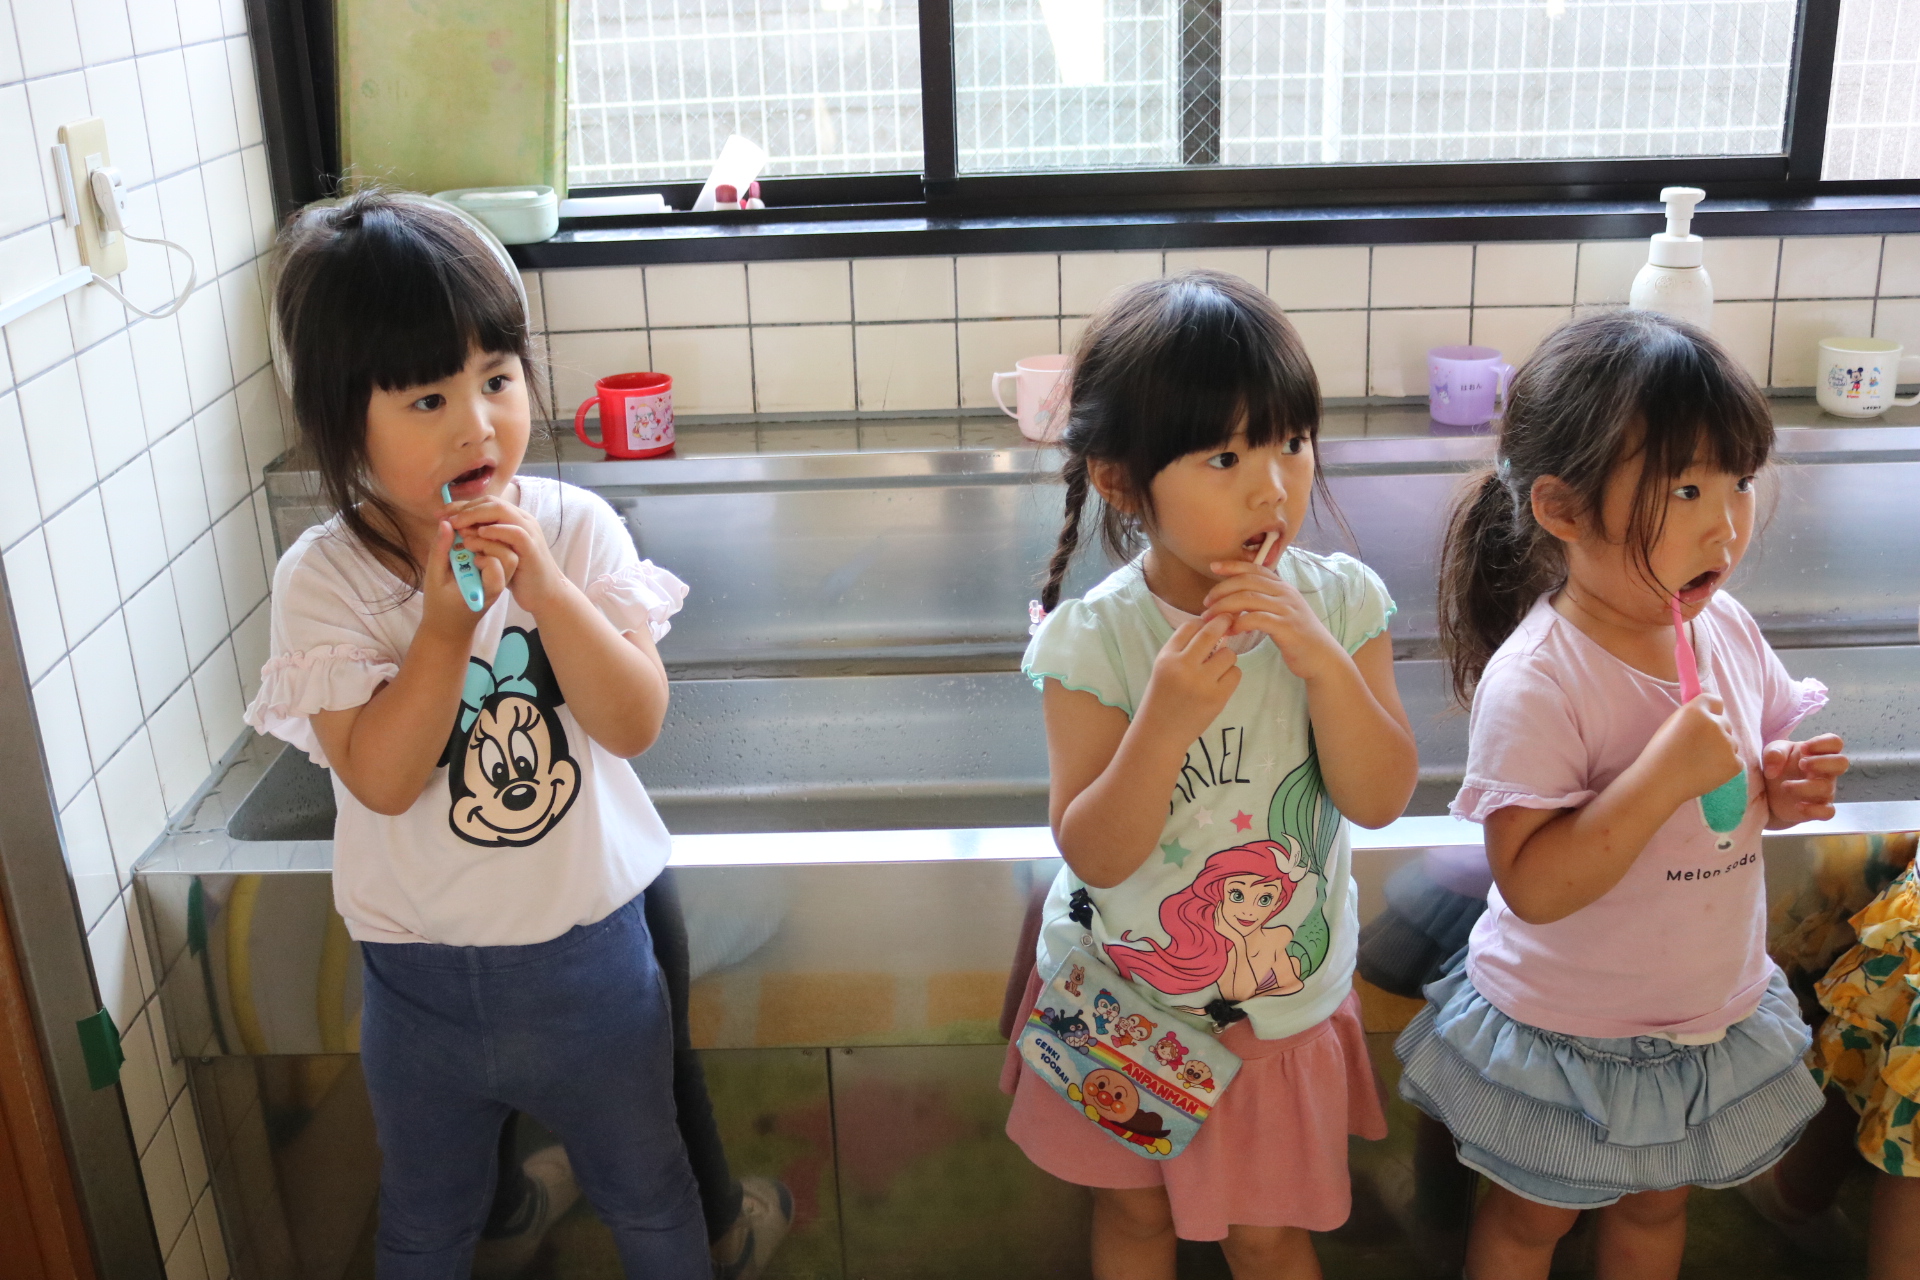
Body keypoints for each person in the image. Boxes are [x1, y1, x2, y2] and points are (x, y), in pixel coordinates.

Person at [244, 189, 705, 1278]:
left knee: (650, 1189)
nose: (477, 425)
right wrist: (447, 628)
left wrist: (547, 591)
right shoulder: (324, 579)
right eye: (426, 397)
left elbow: (634, 720)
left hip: (592, 963)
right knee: (424, 1216)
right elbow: (382, 777)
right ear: (343, 418)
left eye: (497, 379)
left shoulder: (575, 527)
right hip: (418, 988)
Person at [1396, 309, 1850, 1280]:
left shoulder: (1727, 627)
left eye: (1738, 482)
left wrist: (1783, 781)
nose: (1725, 522)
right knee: (1532, 1220)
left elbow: (1745, 776)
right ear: (1563, 510)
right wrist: (1658, 777)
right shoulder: (1541, 679)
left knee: (1656, 1209)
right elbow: (1532, 884)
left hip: (1704, 1009)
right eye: (1687, 489)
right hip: (1569, 1030)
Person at [1003, 271, 1419, 1279]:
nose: (1273, 487)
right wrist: (1164, 718)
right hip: (1125, 1000)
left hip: (1277, 1010)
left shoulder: (1343, 604)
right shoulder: (1095, 642)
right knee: (1135, 1218)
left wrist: (1321, 661)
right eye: (1226, 457)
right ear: (1119, 479)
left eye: (1292, 442)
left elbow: (1380, 797)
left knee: (1268, 1233)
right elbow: (1097, 853)